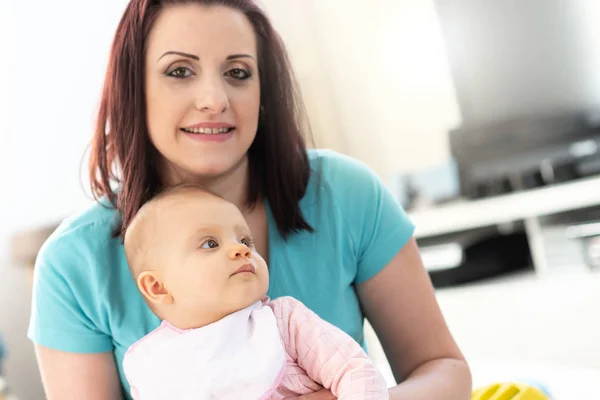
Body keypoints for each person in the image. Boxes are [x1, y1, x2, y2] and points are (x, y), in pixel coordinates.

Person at [28, 1, 472, 399]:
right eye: (179, 71)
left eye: (238, 72)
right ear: (134, 89)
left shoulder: (347, 193)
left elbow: (443, 371)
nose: (214, 100)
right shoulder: (72, 265)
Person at [121, 184, 389, 399]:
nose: (242, 249)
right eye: (210, 243)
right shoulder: (156, 367)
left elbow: (356, 372)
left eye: (245, 240)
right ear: (157, 287)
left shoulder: (285, 322)